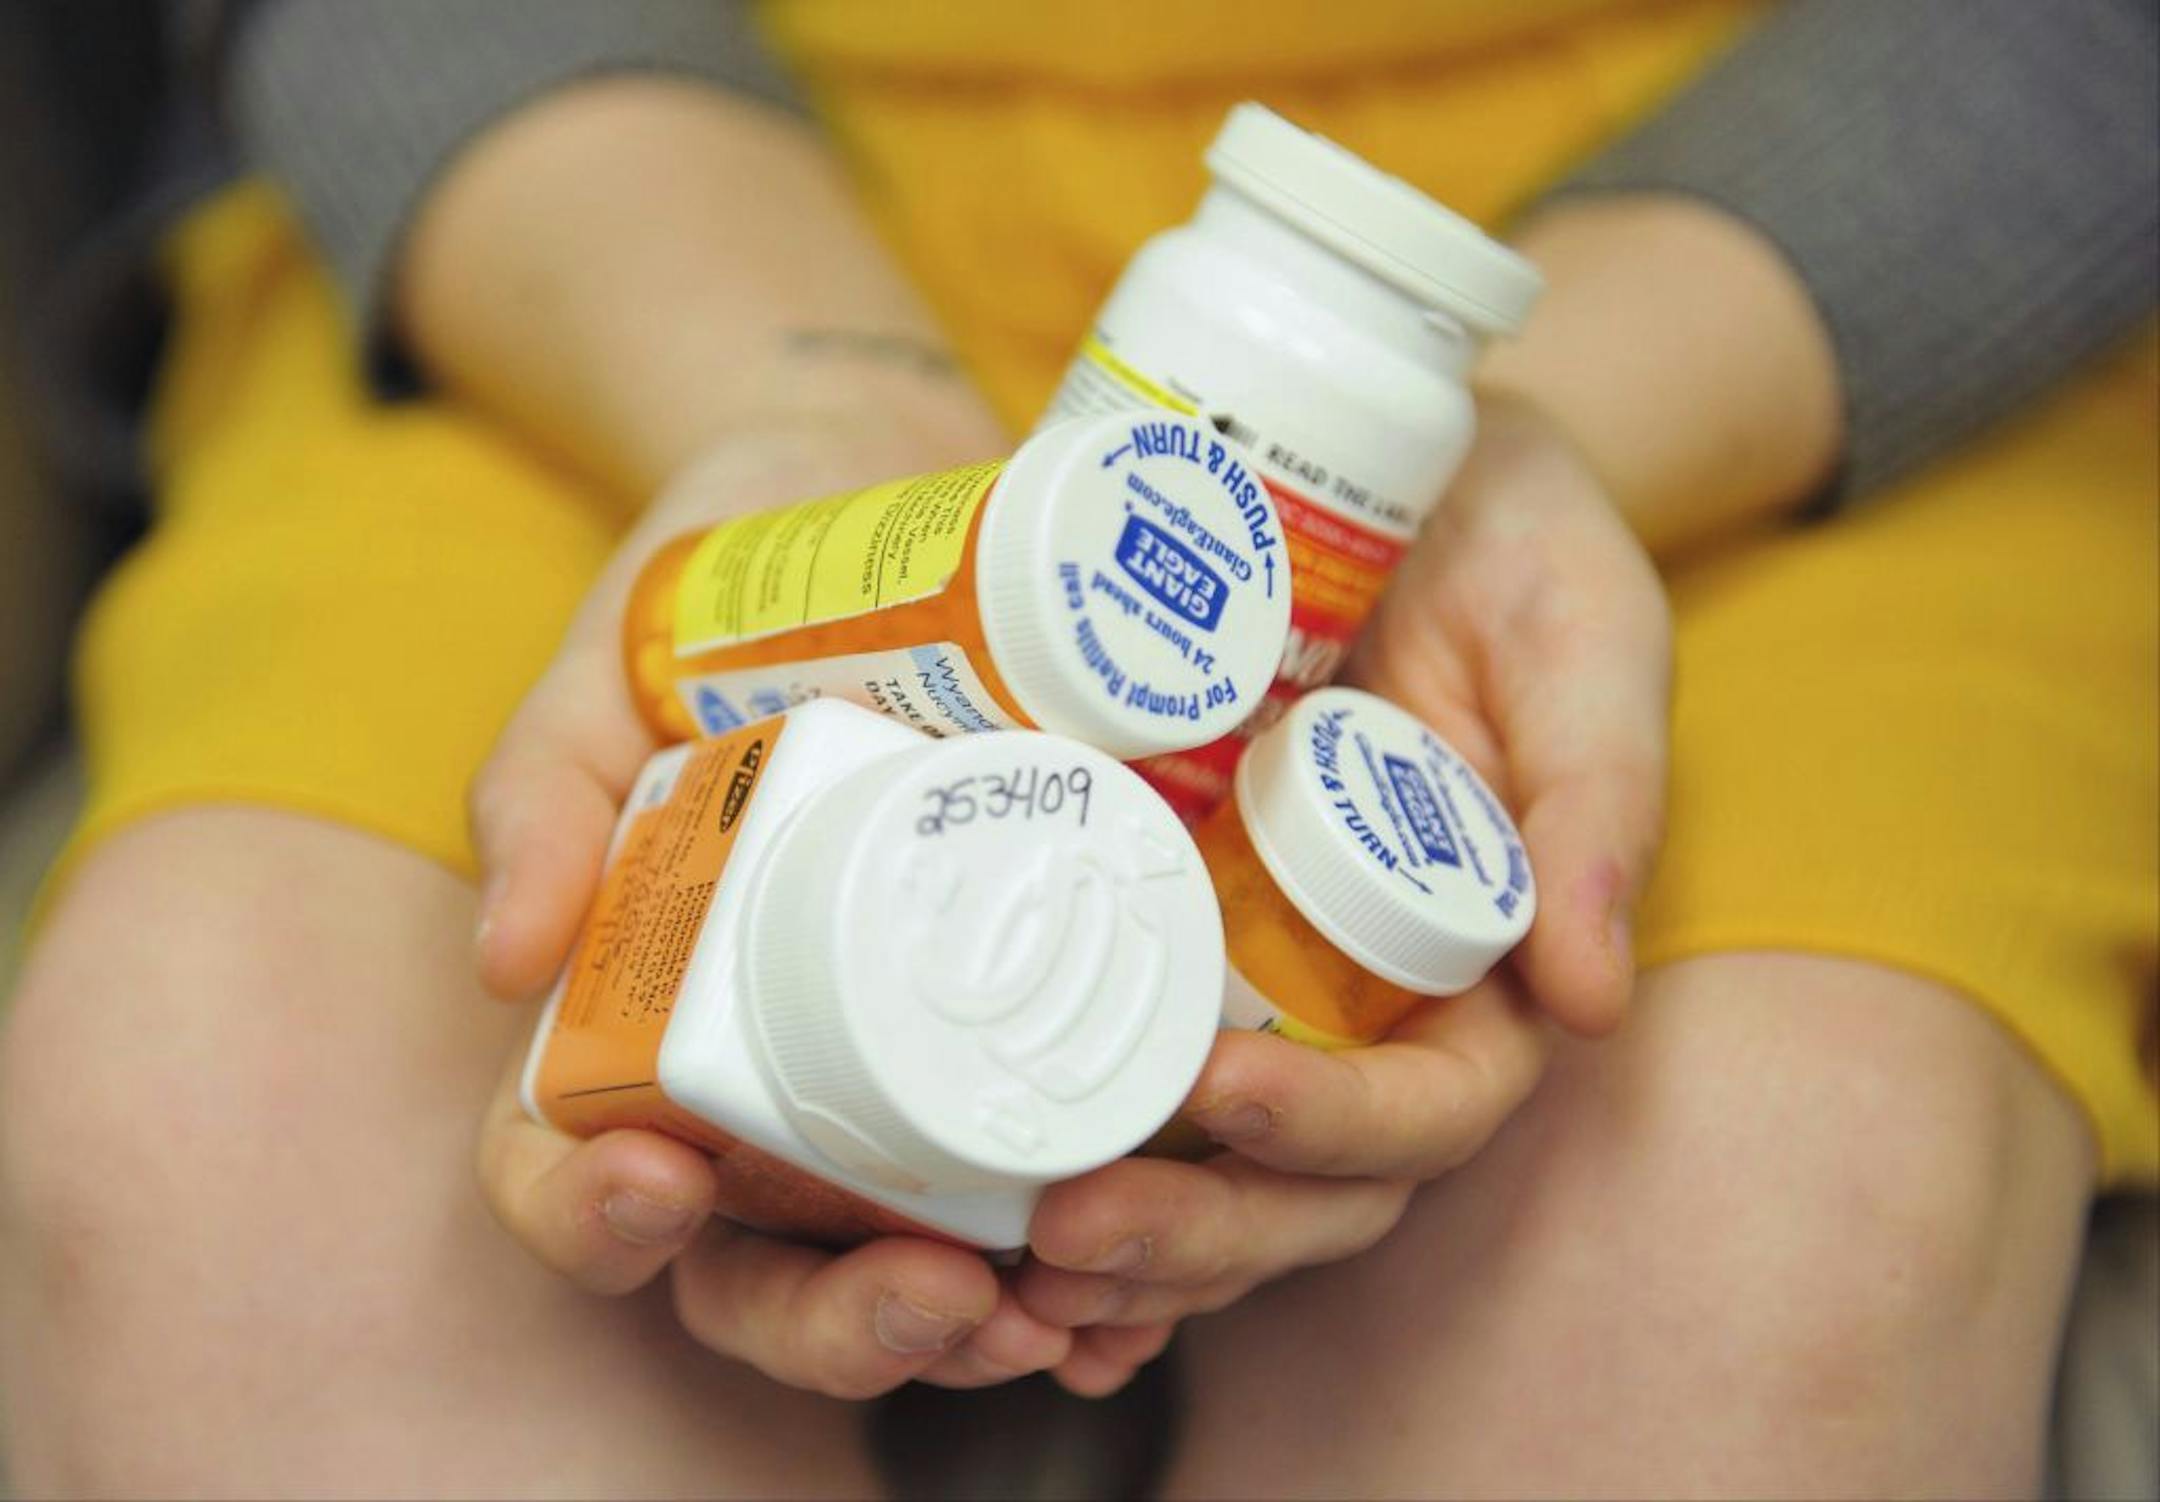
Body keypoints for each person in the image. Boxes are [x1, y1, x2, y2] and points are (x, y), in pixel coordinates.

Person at [2, 1, 2153, 1494]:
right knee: (221, 1086)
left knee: (1770, 1223)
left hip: (1766, 293)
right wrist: (813, 404)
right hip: (629, 210)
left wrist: (1508, 438)